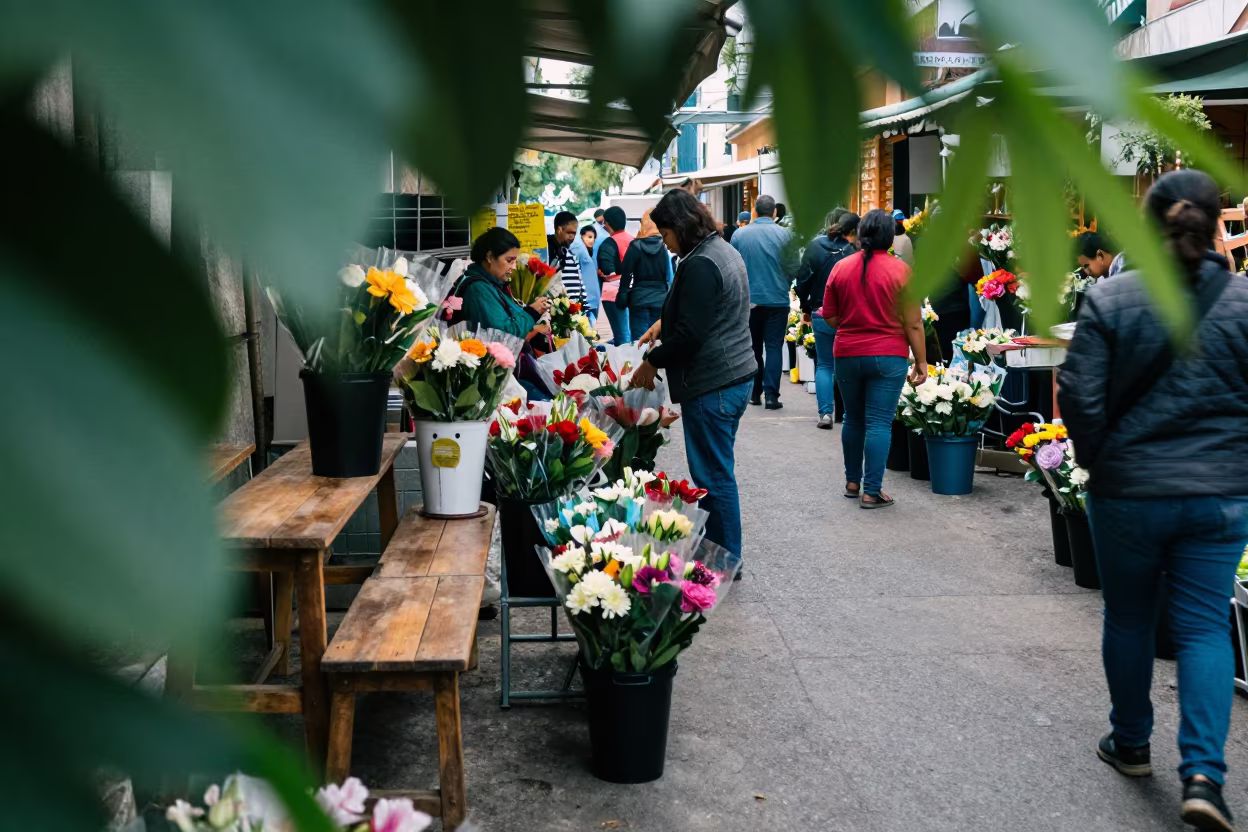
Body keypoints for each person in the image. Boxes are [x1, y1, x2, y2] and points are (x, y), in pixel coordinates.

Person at [1058, 169, 1248, 832]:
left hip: (1129, 491)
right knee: (1202, 626)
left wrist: (1098, 461)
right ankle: (1204, 776)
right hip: (1220, 492)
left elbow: (1079, 395)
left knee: (1130, 617)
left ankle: (1132, 743)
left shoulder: (1112, 300)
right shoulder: (1245, 302)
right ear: (1219, 224)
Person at [631, 188, 757, 578]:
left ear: (681, 228)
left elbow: (692, 336)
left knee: (714, 476)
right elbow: (702, 312)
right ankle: (719, 552)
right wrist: (662, 323)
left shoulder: (702, 263)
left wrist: (652, 362)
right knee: (717, 470)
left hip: (714, 382)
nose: (666, 244)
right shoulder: (719, 249)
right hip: (732, 376)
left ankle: (724, 560)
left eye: (666, 235)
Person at [822, 209, 926, 508]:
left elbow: (829, 316)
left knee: (853, 419)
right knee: (879, 422)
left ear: (860, 233)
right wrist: (921, 361)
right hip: (888, 354)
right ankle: (872, 490)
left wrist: (852, 323)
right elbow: (914, 323)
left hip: (848, 352)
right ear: (890, 235)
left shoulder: (841, 267)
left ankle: (852, 482)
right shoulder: (901, 270)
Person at [730, 195, 798, 409]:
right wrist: (783, 283)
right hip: (777, 299)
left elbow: (732, 268)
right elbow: (794, 266)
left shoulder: (740, 235)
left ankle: (754, 392)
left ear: (755, 212)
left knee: (753, 348)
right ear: (775, 212)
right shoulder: (786, 236)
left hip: (750, 300)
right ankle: (772, 396)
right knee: (774, 347)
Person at [796, 210, 858, 428]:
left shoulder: (814, 246)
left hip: (821, 311)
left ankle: (826, 413)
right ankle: (848, 413)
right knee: (848, 364)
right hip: (851, 314)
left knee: (824, 364)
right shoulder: (856, 249)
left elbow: (802, 280)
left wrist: (805, 306)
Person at [454, 227, 551, 338]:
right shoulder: (478, 289)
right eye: (509, 261)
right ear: (490, 257)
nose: (514, 267)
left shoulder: (493, 285)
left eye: (515, 261)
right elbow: (504, 335)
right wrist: (532, 312)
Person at [617, 208, 673, 339]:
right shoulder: (665, 246)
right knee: (658, 341)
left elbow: (626, 275)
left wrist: (623, 296)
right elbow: (669, 277)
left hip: (639, 300)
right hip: (660, 300)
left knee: (639, 342)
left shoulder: (635, 246)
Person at [597, 206, 634, 345]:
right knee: (630, 334)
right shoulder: (633, 239)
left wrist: (601, 273)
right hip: (633, 289)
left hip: (614, 293)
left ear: (608, 223)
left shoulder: (608, 243)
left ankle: (625, 364)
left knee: (621, 335)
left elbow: (607, 270)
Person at [548, 211, 585, 305]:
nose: (572, 237)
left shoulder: (566, 251)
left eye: (574, 233)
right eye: (569, 232)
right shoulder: (548, 250)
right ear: (559, 229)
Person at [573, 224, 601, 322]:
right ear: (581, 236)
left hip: (590, 298)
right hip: (585, 299)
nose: (592, 240)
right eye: (589, 237)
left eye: (593, 238)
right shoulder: (578, 248)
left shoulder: (586, 252)